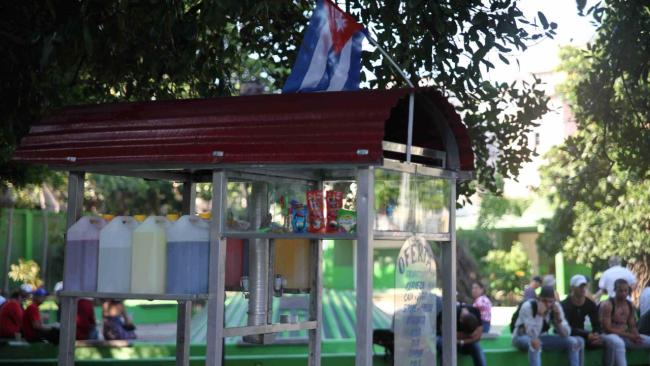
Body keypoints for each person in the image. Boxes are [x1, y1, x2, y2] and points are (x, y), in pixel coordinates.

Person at [512, 285, 584, 366]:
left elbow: (566, 334)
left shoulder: (555, 307)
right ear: (538, 299)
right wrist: (540, 315)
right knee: (535, 343)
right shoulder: (528, 306)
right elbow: (533, 334)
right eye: (544, 301)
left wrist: (558, 321)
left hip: (542, 337)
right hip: (522, 337)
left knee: (575, 342)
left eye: (550, 301)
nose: (548, 304)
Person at [600, 279, 650, 366]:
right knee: (618, 343)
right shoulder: (608, 305)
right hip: (607, 336)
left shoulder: (630, 305)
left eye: (625, 291)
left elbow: (632, 325)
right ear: (615, 290)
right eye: (620, 291)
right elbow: (607, 329)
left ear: (628, 291)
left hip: (625, 335)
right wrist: (629, 335)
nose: (623, 293)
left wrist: (636, 335)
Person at [561, 275, 602, 348]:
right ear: (572, 288)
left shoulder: (590, 304)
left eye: (584, 286)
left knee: (607, 341)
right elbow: (566, 327)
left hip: (585, 334)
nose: (583, 289)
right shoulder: (564, 305)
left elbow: (597, 324)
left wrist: (596, 334)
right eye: (580, 286)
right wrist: (586, 335)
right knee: (579, 341)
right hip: (568, 334)